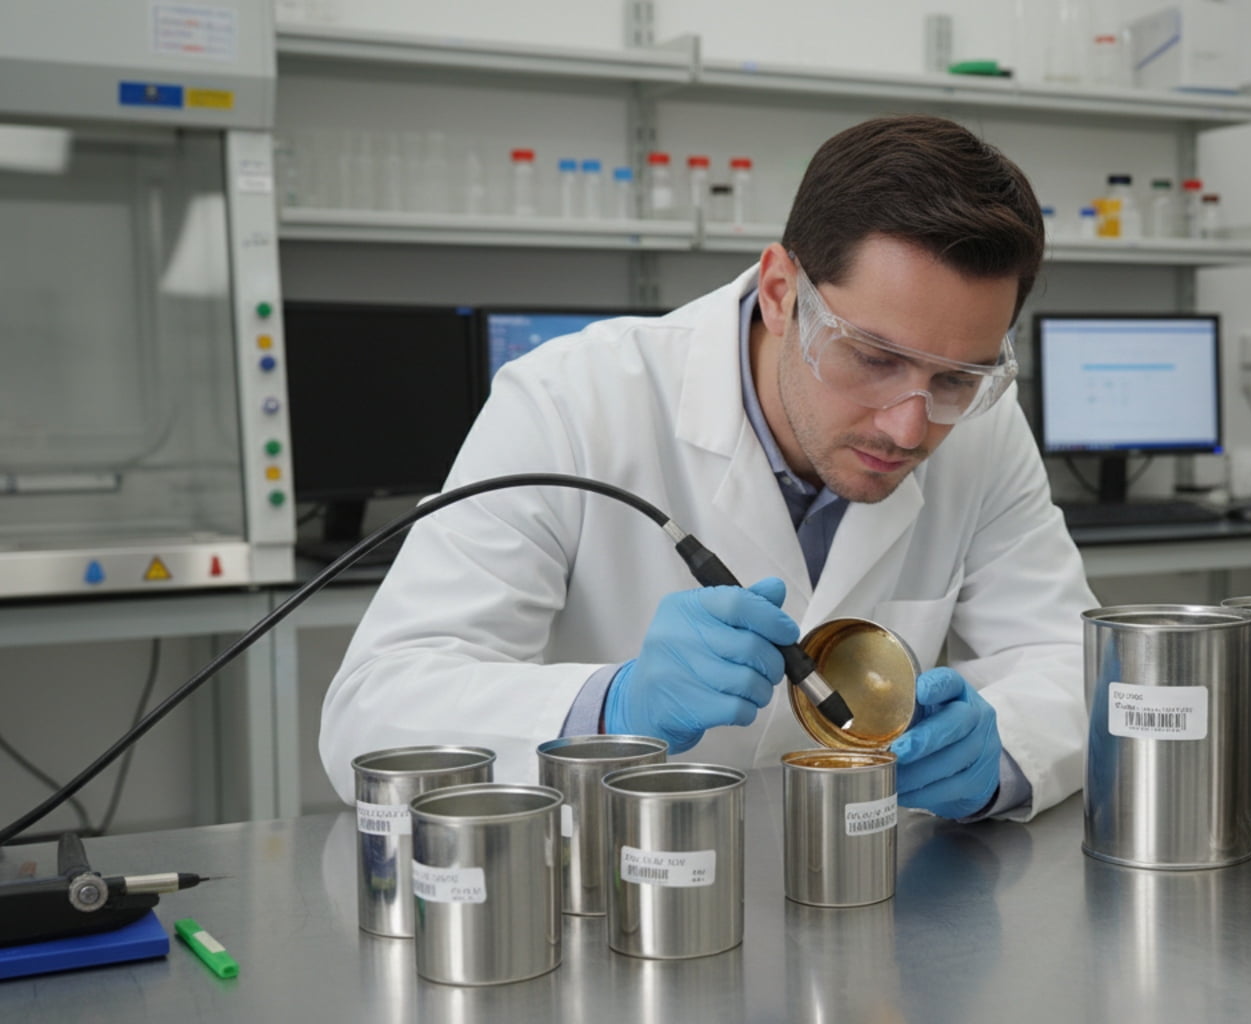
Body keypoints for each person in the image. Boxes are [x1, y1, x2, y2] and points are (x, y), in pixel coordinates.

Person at [319, 115, 1096, 821]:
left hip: (864, 905)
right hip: (606, 900)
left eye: (957, 378)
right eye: (874, 358)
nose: (909, 424)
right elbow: (373, 711)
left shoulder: (979, 429)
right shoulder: (569, 402)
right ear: (781, 292)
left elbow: (1072, 661)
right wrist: (609, 707)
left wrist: (1000, 756)